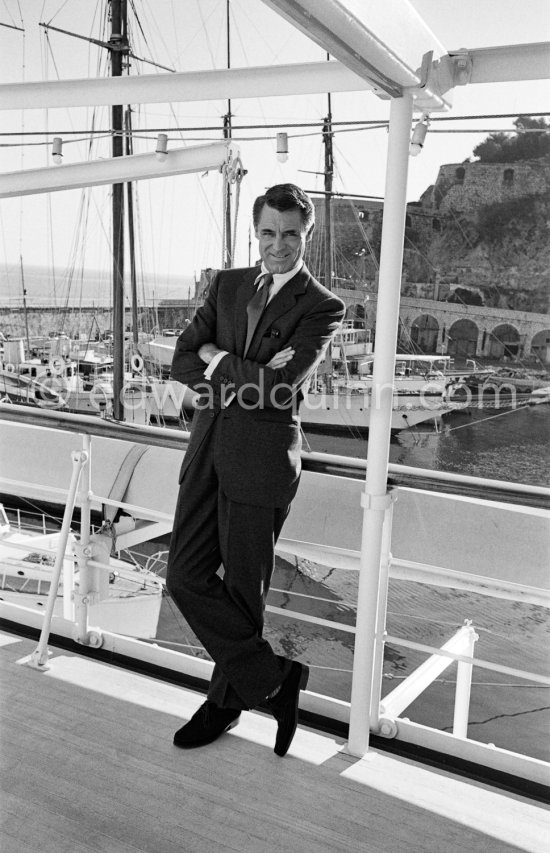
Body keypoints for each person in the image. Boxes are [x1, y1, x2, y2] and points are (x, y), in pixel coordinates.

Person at [166, 183, 345, 756]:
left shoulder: (321, 306)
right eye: (268, 232)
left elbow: (278, 390)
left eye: (290, 234)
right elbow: (181, 359)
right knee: (184, 576)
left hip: (261, 464)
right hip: (207, 449)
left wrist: (220, 359)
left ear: (306, 234)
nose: (278, 245)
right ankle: (273, 679)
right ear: (256, 231)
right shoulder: (228, 283)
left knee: (244, 594)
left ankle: (224, 705)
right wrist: (241, 367)